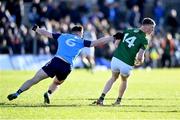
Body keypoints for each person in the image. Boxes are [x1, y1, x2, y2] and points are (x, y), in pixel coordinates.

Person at [7, 24, 120, 104]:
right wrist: (112, 37)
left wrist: (36, 29)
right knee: (57, 83)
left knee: (34, 79)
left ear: (72, 32)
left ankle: (18, 93)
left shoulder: (62, 36)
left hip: (56, 61)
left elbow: (46, 33)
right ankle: (49, 93)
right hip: (66, 67)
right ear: (80, 33)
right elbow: (97, 42)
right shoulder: (81, 41)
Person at [93, 18, 156, 105]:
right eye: (152, 28)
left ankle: (101, 98)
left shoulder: (128, 30)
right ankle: (118, 101)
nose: (152, 30)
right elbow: (140, 56)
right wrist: (140, 61)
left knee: (113, 78)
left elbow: (116, 44)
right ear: (146, 26)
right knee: (124, 80)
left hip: (115, 59)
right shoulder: (145, 39)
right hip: (127, 63)